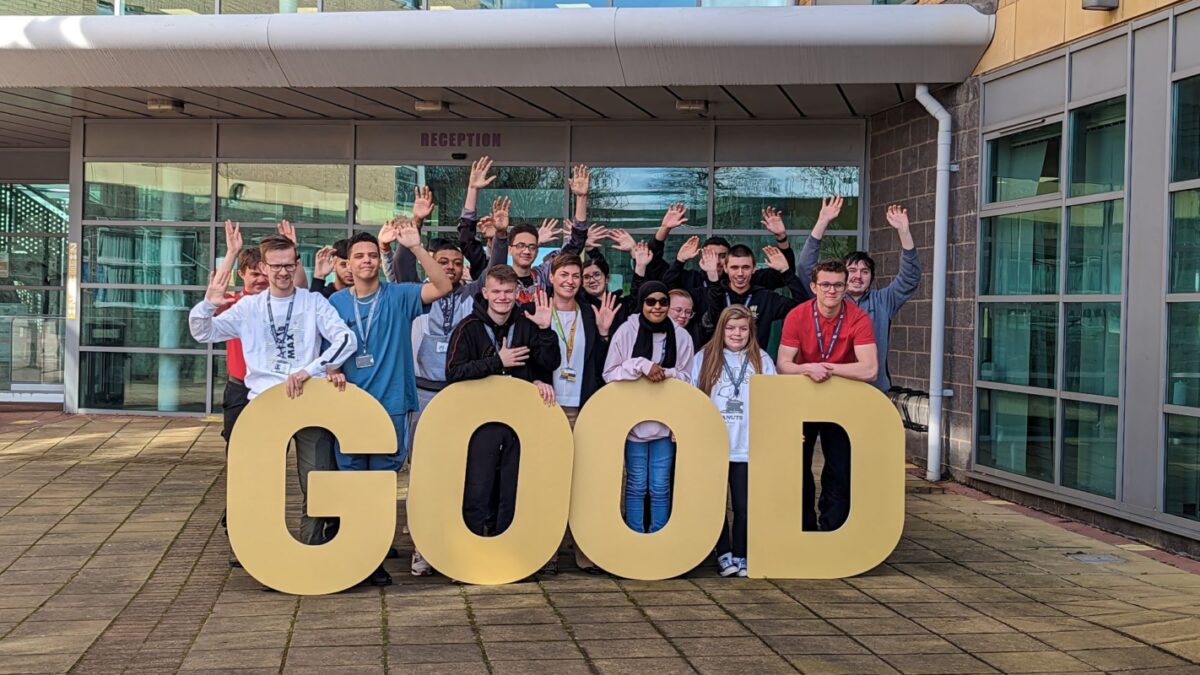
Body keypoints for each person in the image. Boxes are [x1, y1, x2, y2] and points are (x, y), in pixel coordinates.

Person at [189, 233, 357, 548]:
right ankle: (254, 551)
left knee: (316, 481)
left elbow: (346, 340)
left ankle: (311, 547)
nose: (282, 272)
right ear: (264, 268)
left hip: (309, 401)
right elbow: (201, 332)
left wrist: (312, 369)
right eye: (275, 266)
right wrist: (208, 304)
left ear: (297, 265)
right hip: (263, 407)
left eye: (288, 265)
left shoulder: (313, 302)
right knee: (257, 482)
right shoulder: (248, 307)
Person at [326, 223, 453, 586]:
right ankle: (354, 557)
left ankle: (374, 558)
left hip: (392, 403)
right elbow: (322, 348)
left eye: (371, 255)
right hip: (349, 405)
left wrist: (415, 247)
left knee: (382, 484)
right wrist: (330, 366)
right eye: (358, 256)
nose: (365, 261)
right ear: (347, 264)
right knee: (352, 482)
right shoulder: (335, 303)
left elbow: (444, 286)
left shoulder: (399, 296)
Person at [446, 265, 561, 537]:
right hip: (479, 424)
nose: (502, 297)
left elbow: (550, 362)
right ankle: (472, 549)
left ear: (516, 293)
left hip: (518, 423)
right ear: (485, 292)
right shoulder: (469, 328)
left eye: (508, 292)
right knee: (478, 488)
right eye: (496, 291)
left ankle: (508, 549)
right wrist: (497, 361)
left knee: (512, 488)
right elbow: (453, 373)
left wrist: (546, 330)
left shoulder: (527, 323)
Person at [777, 260, 878, 532]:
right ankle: (803, 527)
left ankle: (833, 528)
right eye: (825, 285)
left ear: (846, 288)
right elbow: (783, 364)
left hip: (842, 402)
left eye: (837, 285)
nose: (831, 291)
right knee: (799, 465)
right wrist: (807, 368)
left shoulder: (858, 317)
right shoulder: (797, 316)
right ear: (814, 286)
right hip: (803, 399)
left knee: (839, 468)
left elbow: (870, 368)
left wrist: (826, 368)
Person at [541, 253, 618, 574]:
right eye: (564, 275)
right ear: (552, 278)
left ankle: (583, 549)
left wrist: (602, 333)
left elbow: (600, 365)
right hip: (548, 408)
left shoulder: (590, 313)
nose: (570, 281)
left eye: (575, 275)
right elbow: (530, 356)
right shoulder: (539, 309)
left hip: (583, 407)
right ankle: (547, 551)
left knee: (583, 481)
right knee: (549, 480)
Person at [797, 198, 920, 391]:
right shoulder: (828, 298)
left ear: (871, 277)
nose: (857, 276)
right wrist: (822, 221)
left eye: (864, 271)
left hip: (872, 390)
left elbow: (910, 278)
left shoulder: (882, 301)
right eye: (852, 270)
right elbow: (805, 269)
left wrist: (904, 232)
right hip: (829, 387)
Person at [603, 281, 695, 534]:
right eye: (651, 302)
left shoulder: (681, 335)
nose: (657, 307)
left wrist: (666, 373)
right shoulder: (627, 331)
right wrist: (640, 365)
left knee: (660, 485)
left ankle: (658, 538)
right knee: (635, 484)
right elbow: (609, 373)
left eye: (663, 302)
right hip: (633, 425)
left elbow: (689, 378)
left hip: (665, 426)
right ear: (642, 303)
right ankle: (634, 535)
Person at [692, 305, 776, 578]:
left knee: (744, 506)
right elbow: (693, 399)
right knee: (716, 506)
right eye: (730, 328)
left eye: (743, 328)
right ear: (721, 330)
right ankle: (723, 553)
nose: (737, 334)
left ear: (751, 331)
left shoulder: (762, 360)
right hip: (715, 446)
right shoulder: (703, 358)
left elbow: (775, 402)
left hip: (747, 447)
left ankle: (742, 554)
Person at [213, 221, 265, 569]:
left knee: (272, 467)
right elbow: (213, 294)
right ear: (242, 276)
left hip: (277, 392)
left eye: (266, 272)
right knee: (243, 463)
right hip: (241, 391)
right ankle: (240, 534)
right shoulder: (233, 304)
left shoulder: (286, 305)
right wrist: (231, 253)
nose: (260, 279)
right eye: (253, 274)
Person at [700, 233, 810, 349]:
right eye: (734, 267)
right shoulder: (715, 293)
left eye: (746, 267)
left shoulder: (766, 298)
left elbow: (803, 307)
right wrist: (712, 280)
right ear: (726, 268)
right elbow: (711, 320)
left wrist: (786, 271)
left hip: (755, 362)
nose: (740, 273)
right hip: (719, 361)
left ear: (754, 268)